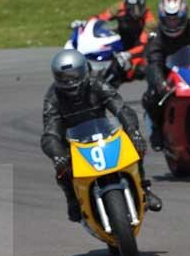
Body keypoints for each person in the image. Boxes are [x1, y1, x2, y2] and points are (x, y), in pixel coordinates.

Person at [41, 49, 162, 221]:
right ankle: (73, 200)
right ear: (56, 78)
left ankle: (143, 188)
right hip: (73, 141)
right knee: (62, 168)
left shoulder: (97, 83)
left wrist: (133, 131)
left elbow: (121, 108)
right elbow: (50, 133)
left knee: (136, 144)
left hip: (103, 132)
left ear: (84, 71)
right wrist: (57, 154)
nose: (70, 82)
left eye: (74, 75)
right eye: (64, 77)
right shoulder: (53, 97)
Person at [72, 0, 155, 85]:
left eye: (136, 7)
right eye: (130, 7)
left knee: (138, 70)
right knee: (109, 60)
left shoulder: (150, 21)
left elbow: (143, 45)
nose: (133, 11)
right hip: (122, 43)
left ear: (143, 5)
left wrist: (128, 54)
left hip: (138, 52)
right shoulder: (119, 8)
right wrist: (85, 23)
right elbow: (100, 18)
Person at [142, 0, 190, 150]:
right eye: (168, 20)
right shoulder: (157, 36)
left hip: (188, 71)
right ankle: (157, 129)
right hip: (167, 76)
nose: (173, 24)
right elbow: (154, 62)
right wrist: (160, 83)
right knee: (151, 98)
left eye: (176, 19)